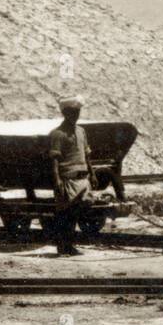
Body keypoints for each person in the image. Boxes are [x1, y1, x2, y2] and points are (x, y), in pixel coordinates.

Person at [48, 95, 93, 256]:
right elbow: (54, 160)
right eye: (73, 112)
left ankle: (70, 246)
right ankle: (62, 247)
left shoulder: (81, 131)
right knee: (64, 215)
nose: (76, 115)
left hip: (82, 180)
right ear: (65, 113)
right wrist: (58, 180)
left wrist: (92, 174)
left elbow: (87, 155)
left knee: (75, 215)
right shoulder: (57, 134)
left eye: (78, 111)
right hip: (67, 180)